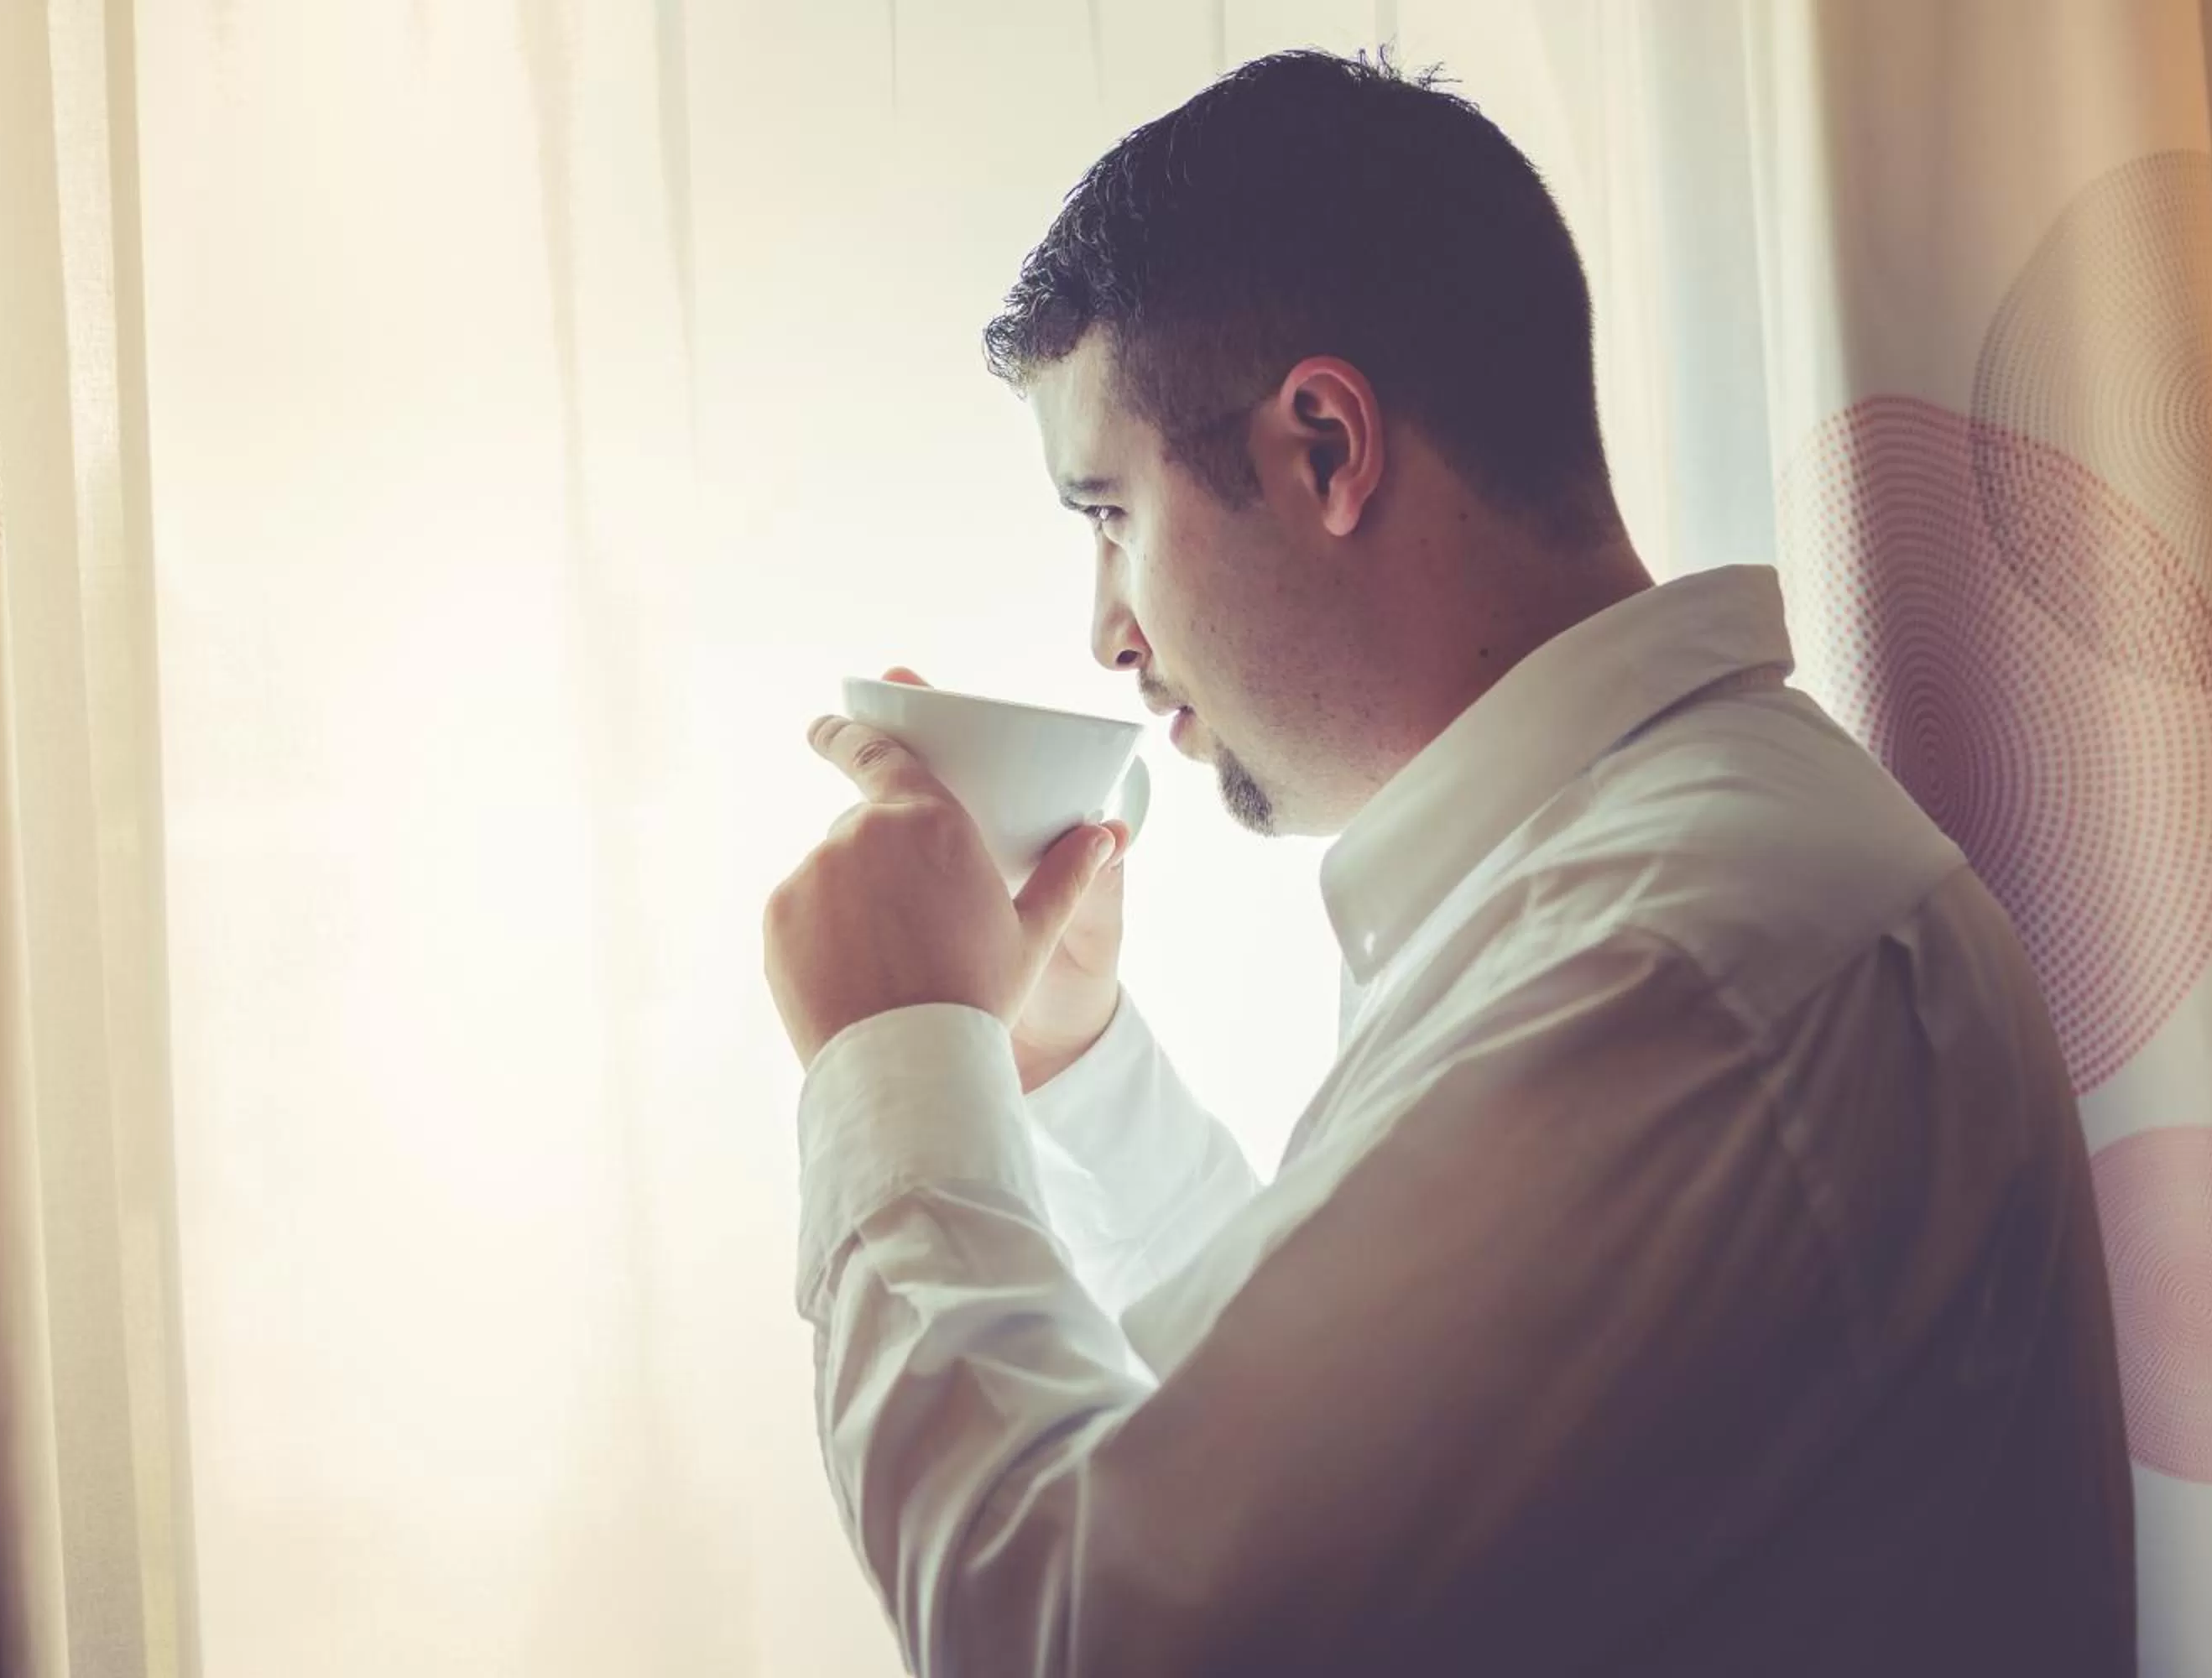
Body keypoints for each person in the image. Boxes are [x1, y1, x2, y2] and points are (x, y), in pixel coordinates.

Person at [761, 48, 2134, 1677]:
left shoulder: (1683, 956)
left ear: (1326, 448)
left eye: (1110, 512)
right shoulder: (1651, 890)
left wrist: (891, 1060)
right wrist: (1066, 1062)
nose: (1108, 632)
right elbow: (1311, 1447)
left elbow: (1097, 1636)